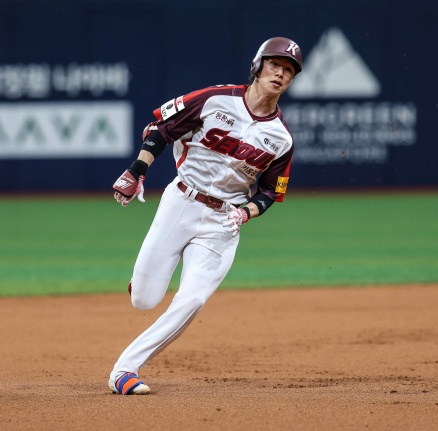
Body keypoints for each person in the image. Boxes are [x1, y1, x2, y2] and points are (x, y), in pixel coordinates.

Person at [108, 37, 302, 395]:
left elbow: (270, 192)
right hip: (181, 202)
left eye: (289, 70)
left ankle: (125, 369)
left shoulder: (282, 138)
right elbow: (162, 129)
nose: (281, 73)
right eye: (275, 64)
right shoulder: (216, 99)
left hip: (224, 221)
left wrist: (247, 213)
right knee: (145, 300)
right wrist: (137, 170)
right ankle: (147, 280)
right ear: (258, 66)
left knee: (193, 298)